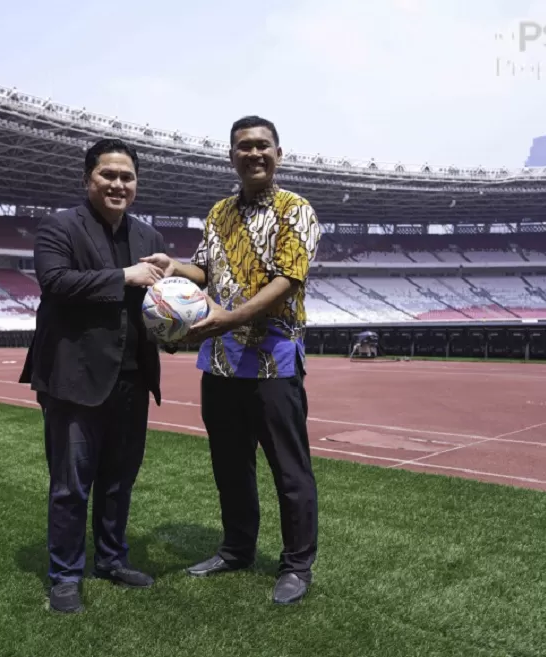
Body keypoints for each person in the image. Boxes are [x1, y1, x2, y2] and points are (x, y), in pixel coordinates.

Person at [142, 115, 321, 605]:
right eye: (244, 147)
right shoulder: (219, 212)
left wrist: (229, 318)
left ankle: (296, 565)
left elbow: (288, 280)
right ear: (231, 157)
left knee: (289, 468)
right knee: (229, 465)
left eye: (263, 145)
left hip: (273, 360)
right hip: (219, 361)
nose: (254, 153)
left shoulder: (296, 210)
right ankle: (237, 548)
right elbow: (204, 267)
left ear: (278, 154)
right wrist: (172, 266)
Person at [18, 138, 170, 614]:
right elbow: (56, 283)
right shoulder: (59, 226)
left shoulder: (149, 238)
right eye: (108, 175)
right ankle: (64, 575)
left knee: (118, 481)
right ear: (88, 179)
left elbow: (155, 307)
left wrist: (175, 317)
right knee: (70, 485)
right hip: (74, 378)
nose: (118, 184)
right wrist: (125, 276)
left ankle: (111, 559)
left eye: (127, 177)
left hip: (131, 379)